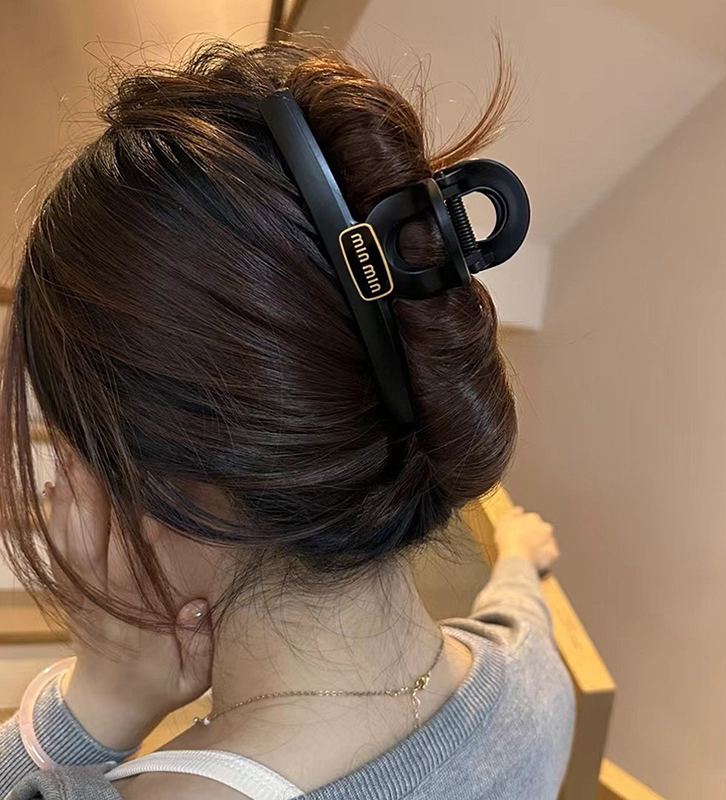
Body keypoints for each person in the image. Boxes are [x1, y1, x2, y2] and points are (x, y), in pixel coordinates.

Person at [0, 39, 574, 800]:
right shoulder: (537, 687)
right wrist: (519, 560)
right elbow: (517, 612)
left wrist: (99, 705)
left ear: (159, 470)